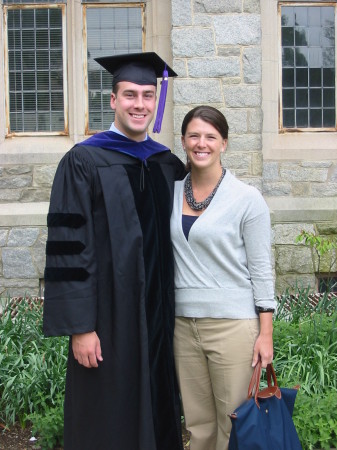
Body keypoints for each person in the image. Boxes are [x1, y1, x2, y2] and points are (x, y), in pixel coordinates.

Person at [43, 52, 186, 450]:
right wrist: (80, 327)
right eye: (129, 95)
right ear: (112, 100)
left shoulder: (166, 163)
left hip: (160, 316)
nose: (139, 104)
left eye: (147, 95)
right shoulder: (84, 161)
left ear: (156, 102)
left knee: (159, 405)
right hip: (108, 319)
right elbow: (68, 249)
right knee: (109, 413)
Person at [170, 106, 276, 450]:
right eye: (194, 135)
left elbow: (262, 270)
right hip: (183, 326)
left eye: (210, 136)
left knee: (234, 425)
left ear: (224, 143)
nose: (202, 143)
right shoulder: (168, 193)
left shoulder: (247, 200)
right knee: (198, 427)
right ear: (184, 141)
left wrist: (266, 334)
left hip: (233, 327)